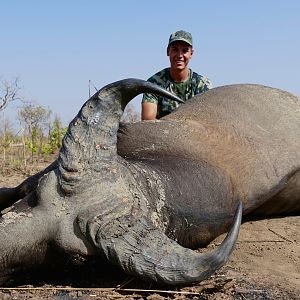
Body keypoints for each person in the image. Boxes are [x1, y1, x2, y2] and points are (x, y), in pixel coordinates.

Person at [141, 30, 212, 120]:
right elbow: (148, 121)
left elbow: (207, 119)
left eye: (185, 50)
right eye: (175, 49)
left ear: (191, 54)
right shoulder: (154, 83)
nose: (180, 55)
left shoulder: (203, 84)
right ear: (168, 51)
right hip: (162, 132)